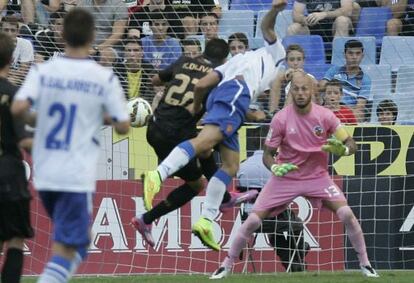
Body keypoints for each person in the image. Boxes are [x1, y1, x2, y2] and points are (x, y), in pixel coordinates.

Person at [141, 0, 287, 251]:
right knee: (204, 143)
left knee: (230, 165)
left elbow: (202, 85)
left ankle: (207, 220)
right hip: (236, 94)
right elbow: (268, 28)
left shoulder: (234, 61)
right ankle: (159, 174)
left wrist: (198, 106)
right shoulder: (274, 55)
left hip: (230, 99)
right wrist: (274, 10)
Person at [209, 71, 379, 279]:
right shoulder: (281, 119)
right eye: (296, 89)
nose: (300, 93)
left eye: (304, 88)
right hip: (285, 178)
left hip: (317, 177)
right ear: (291, 92)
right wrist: (274, 168)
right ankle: (225, 266)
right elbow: (268, 155)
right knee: (252, 221)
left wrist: (343, 151)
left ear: (313, 90)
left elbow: (351, 144)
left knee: (347, 215)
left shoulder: (325, 116)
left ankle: (366, 264)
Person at [11, 8, 130, 283]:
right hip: (75, 174)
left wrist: (45, 114)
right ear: (93, 36)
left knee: (77, 242)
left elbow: (18, 108)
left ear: (62, 35)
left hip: (45, 171)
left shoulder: (45, 71)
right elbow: (124, 125)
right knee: (71, 247)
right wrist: (98, 114)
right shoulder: (103, 77)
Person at [131, 38, 258, 247]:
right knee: (198, 182)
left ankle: (225, 198)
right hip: (177, 134)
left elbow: (154, 80)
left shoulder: (182, 61)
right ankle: (145, 219)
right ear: (225, 58)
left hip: (155, 128)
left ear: (203, 51)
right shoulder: (219, 74)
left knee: (205, 151)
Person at [0, 31, 34, 283]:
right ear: (11, 59)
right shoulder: (14, 95)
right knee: (15, 239)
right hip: (9, 173)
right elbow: (25, 140)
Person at [320, 39, 371, 123]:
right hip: (330, 106)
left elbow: (360, 107)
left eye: (358, 53)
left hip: (348, 112)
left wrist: (341, 109)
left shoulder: (365, 79)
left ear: (362, 56)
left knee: (359, 113)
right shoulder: (334, 70)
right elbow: (321, 87)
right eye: (350, 53)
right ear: (344, 55)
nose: (354, 57)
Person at [287, 0, 356, 43]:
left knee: (342, 21)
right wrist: (306, 20)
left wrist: (324, 14)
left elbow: (347, 11)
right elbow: (296, 15)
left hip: (335, 26)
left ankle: (339, 62)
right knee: (294, 28)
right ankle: (296, 64)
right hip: (313, 26)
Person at [116, 36, 155, 101]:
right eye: (129, 50)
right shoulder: (118, 70)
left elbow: (149, 96)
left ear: (142, 52)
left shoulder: (149, 70)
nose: (132, 54)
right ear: (124, 53)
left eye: (136, 50)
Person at [1, 15, 34, 85]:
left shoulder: (26, 44)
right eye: (6, 30)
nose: (9, 34)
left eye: (13, 30)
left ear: (18, 32)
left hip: (18, 82)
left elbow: (23, 72)